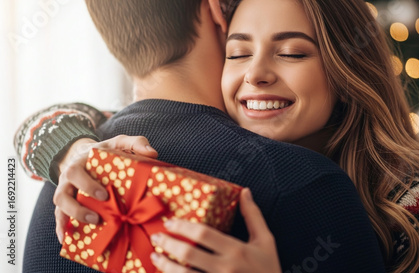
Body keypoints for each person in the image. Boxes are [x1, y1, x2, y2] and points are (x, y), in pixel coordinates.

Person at [15, 0, 385, 273]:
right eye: (241, 51)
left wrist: (70, 145)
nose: (257, 74)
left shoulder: (66, 184)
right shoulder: (309, 187)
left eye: (290, 52)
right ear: (215, 10)